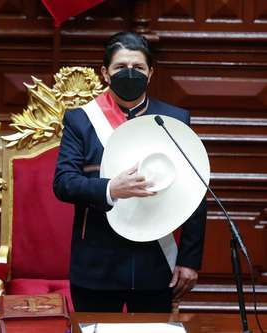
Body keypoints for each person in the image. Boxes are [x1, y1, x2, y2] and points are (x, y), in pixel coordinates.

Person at [53, 31, 207, 313]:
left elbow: (195, 193)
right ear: (105, 73)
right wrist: (110, 189)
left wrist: (189, 259)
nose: (130, 73)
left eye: (138, 68)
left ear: (150, 73)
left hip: (156, 263)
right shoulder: (82, 120)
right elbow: (64, 183)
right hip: (97, 266)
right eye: (120, 68)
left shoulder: (173, 119)